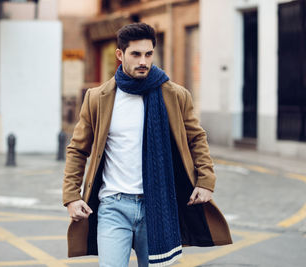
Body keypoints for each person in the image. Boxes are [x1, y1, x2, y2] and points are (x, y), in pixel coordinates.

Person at [63, 23, 232, 267]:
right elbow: (78, 150)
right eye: (136, 54)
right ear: (120, 55)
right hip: (113, 205)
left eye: (148, 54)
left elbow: (196, 138)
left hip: (158, 206)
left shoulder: (175, 95)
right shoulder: (98, 98)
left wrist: (206, 181)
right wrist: (71, 196)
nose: (143, 61)